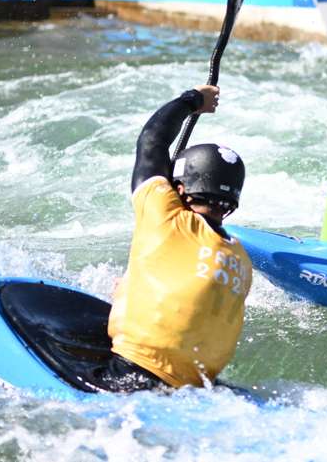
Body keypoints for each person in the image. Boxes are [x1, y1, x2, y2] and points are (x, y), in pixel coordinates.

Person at [97, 85, 253, 392]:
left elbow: (152, 141)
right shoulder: (241, 261)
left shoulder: (164, 214)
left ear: (180, 190)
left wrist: (192, 100)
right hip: (196, 389)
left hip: (132, 376)